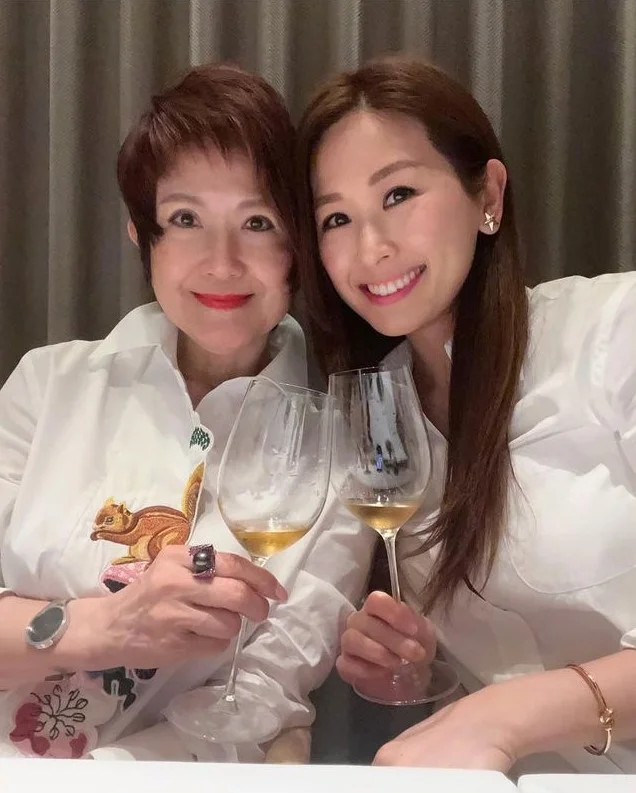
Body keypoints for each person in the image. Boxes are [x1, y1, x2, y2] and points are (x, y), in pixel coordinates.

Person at [0, 63, 374, 761]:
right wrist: (106, 626)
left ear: (296, 247)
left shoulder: (341, 445)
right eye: (185, 219)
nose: (221, 262)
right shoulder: (47, 387)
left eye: (257, 222)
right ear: (142, 236)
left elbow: (268, 691)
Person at [296, 56, 636, 775]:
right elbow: (488, 661)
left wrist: (504, 715)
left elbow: (500, 711)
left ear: (489, 195)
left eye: (399, 194)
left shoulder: (614, 334)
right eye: (336, 218)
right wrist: (422, 670)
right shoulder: (374, 413)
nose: (371, 247)